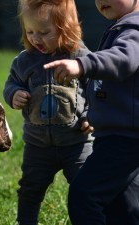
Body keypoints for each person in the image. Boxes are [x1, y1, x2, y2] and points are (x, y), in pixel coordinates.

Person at [43, 0, 139, 224]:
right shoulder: (122, 26)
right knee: (122, 206)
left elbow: (122, 59)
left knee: (84, 196)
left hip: (125, 139)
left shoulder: (134, 29)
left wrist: (83, 65)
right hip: (120, 135)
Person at [3, 0, 94, 224]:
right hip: (38, 145)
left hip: (77, 142)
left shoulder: (80, 58)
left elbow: (98, 89)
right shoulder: (25, 60)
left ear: (66, 28)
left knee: (87, 189)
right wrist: (14, 94)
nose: (35, 38)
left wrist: (91, 116)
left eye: (44, 32)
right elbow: (11, 83)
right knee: (30, 189)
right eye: (30, 31)